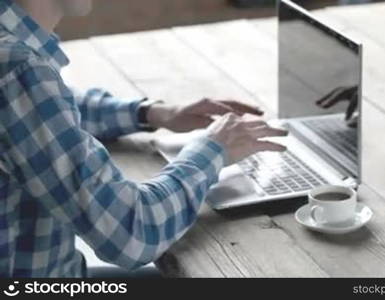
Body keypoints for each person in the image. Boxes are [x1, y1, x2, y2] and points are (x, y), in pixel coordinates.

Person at [0, 0, 287, 277]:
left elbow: (44, 109)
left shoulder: (14, 55)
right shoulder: (17, 68)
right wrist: (213, 149)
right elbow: (131, 232)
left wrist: (151, 113)